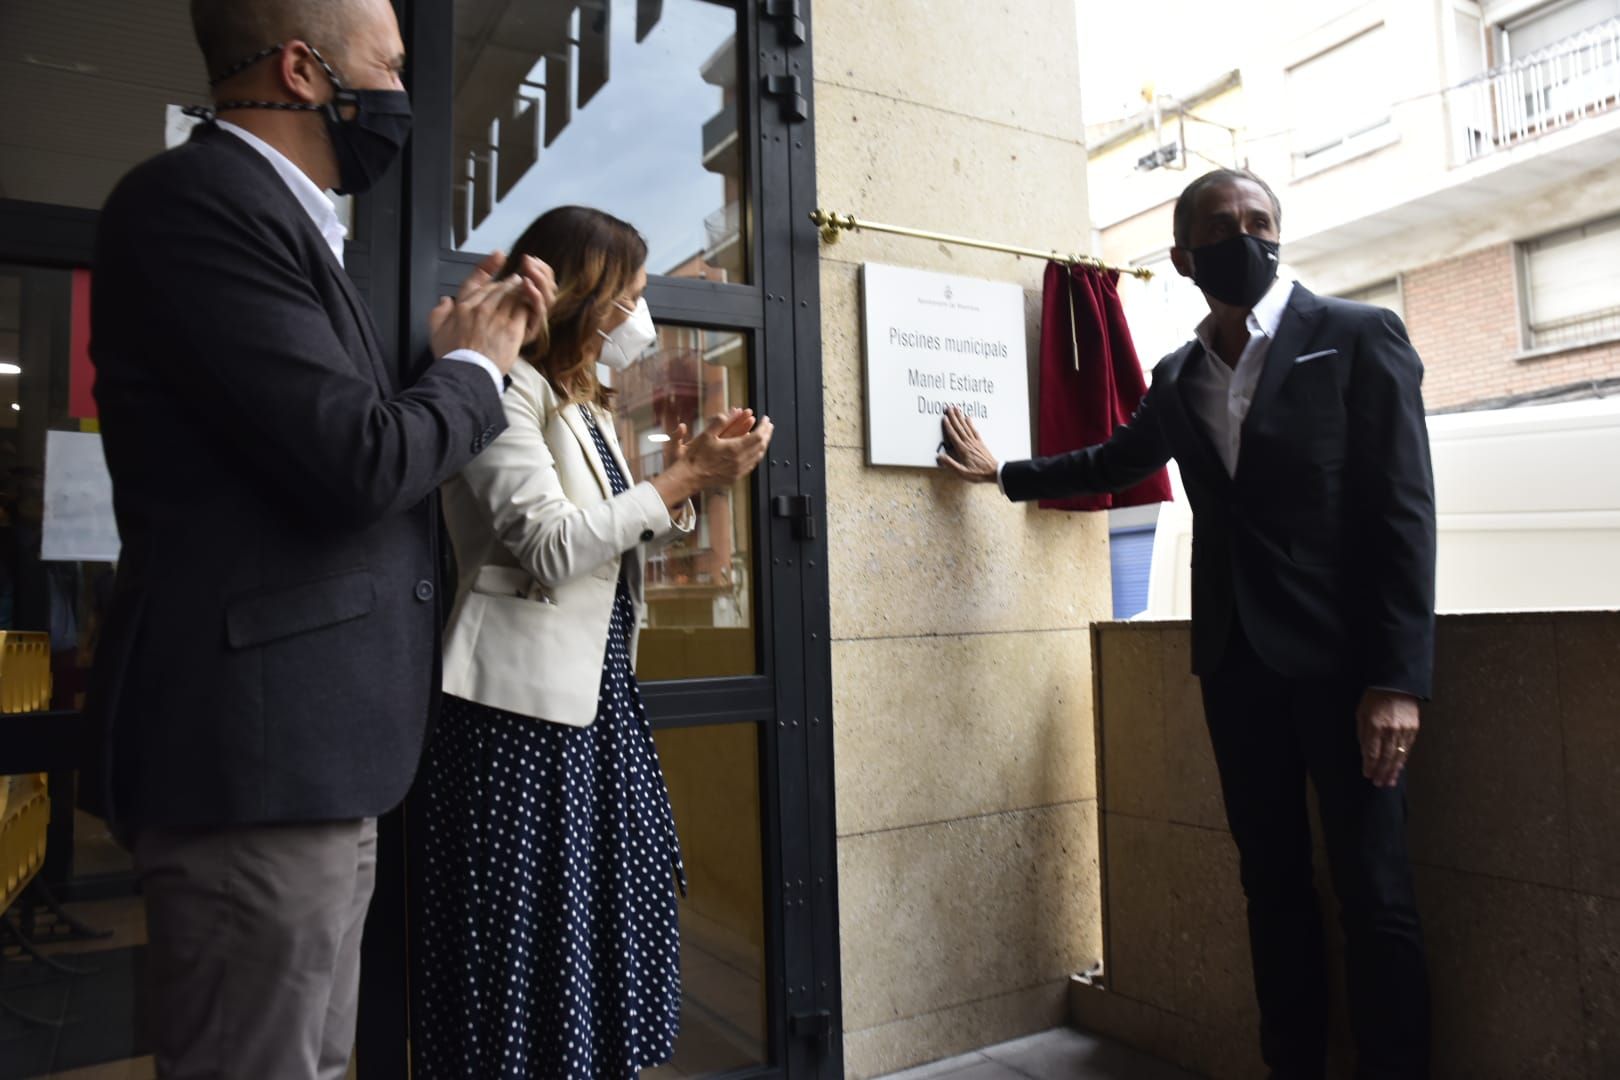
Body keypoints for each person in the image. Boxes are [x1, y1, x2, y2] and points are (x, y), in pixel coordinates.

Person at [84, 1, 555, 1076]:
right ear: (304, 72)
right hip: (254, 764)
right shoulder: (199, 205)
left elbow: (326, 442)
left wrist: (446, 354)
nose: (400, 91)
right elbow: (359, 464)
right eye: (387, 64)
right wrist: (474, 369)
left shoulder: (289, 226)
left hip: (316, 756)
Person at [940, 169, 1435, 1079]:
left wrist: (1397, 679)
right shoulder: (1177, 374)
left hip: (1346, 671)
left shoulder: (1360, 337)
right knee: (1270, 886)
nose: (1245, 237)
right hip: (1238, 666)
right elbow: (1113, 458)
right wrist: (1002, 472)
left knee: (1377, 893)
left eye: (1260, 222)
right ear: (1184, 255)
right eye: (1222, 225)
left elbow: (1403, 512)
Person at [412, 205, 773, 1078]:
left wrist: (684, 488)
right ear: (587, 297)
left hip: (594, 702)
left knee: (602, 928)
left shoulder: (576, 401)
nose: (639, 319)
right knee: (524, 954)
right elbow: (548, 544)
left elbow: (601, 541)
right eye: (632, 298)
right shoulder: (502, 387)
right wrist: (683, 478)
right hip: (522, 717)